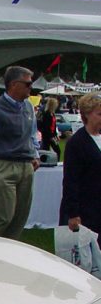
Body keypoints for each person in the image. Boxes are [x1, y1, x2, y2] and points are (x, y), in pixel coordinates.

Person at [0, 66, 40, 240]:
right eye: (27, 84)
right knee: (2, 216)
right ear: (13, 85)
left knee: (19, 218)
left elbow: (32, 134)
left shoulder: (28, 107)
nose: (30, 87)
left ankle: (7, 252)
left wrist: (35, 155)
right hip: (4, 165)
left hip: (26, 166)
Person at [60, 92, 101, 243]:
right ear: (87, 115)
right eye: (99, 114)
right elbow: (71, 180)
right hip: (86, 208)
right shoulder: (77, 143)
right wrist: (73, 213)